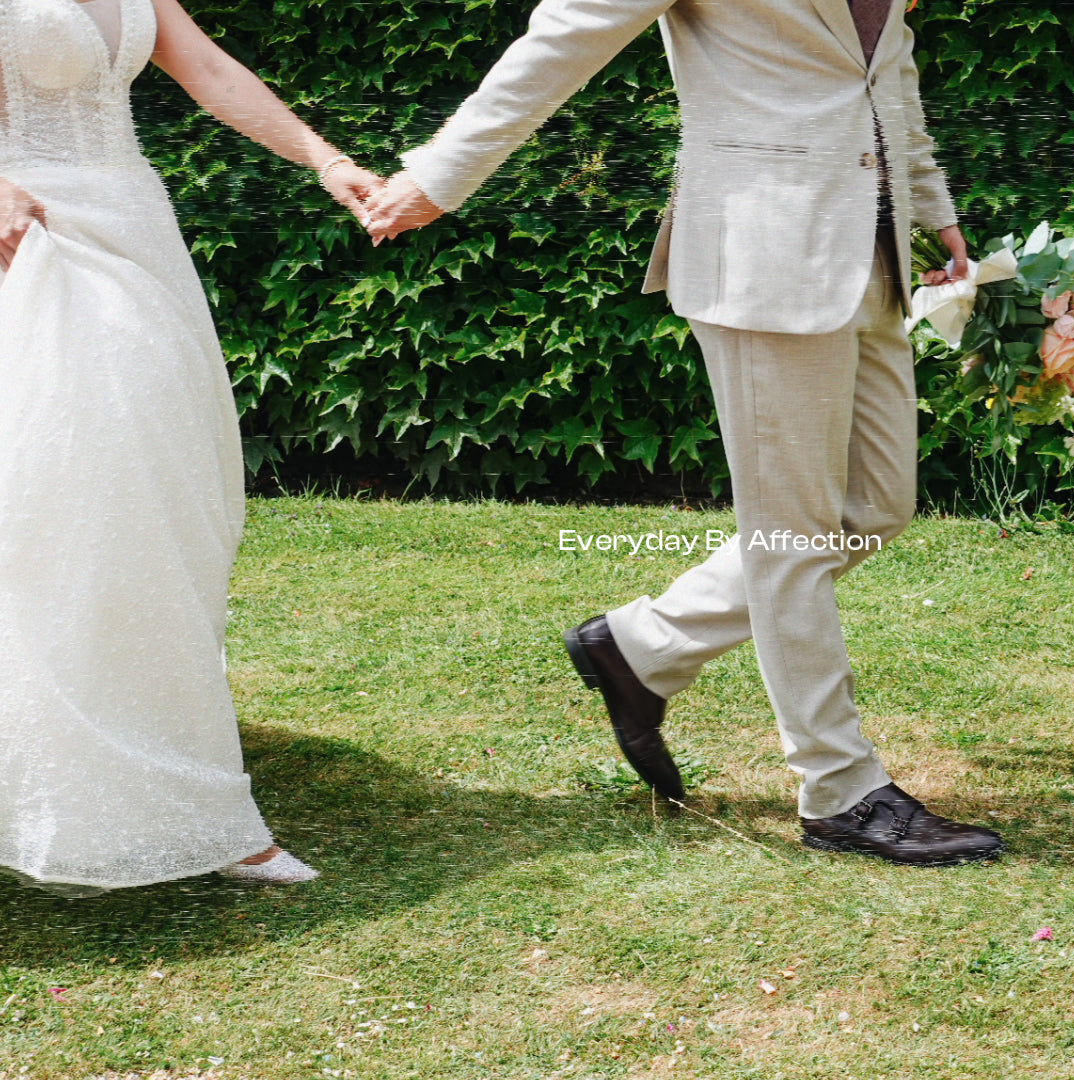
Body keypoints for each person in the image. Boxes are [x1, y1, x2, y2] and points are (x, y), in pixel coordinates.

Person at [365, 0, 1004, 866]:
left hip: (873, 252)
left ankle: (641, 646)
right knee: (793, 537)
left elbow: (885, 70)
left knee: (876, 509)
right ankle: (840, 790)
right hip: (763, 255)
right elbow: (566, 34)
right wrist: (439, 177)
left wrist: (936, 208)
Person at [0, 0, 380, 891]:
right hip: (28, 238)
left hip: (132, 223)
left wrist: (326, 160)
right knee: (66, 499)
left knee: (165, 495)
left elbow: (209, 72)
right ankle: (168, 802)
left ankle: (158, 752)